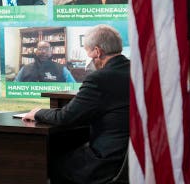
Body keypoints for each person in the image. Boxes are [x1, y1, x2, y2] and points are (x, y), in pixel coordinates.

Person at [23, 24, 129, 184]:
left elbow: (66, 117)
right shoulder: (139, 71)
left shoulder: (99, 79)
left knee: (48, 164)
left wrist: (37, 112)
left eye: (88, 53)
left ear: (98, 51)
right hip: (132, 160)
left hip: (105, 161)